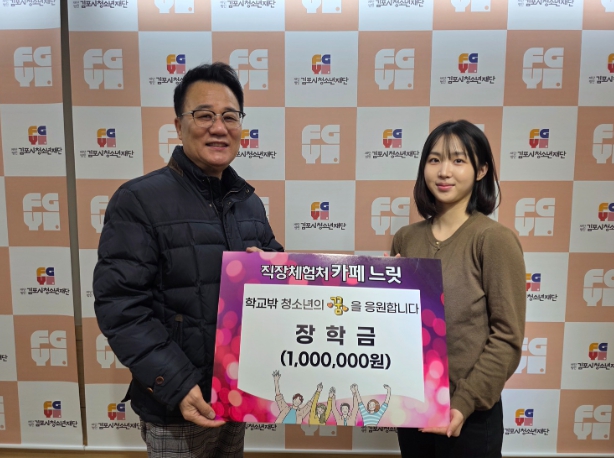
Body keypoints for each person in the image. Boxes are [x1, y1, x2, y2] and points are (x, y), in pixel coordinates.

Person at [93, 62, 283, 458]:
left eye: (230, 116)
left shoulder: (248, 203)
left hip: (235, 393)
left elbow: (278, 272)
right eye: (204, 115)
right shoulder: (139, 200)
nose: (219, 127)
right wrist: (177, 385)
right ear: (179, 126)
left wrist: (274, 269)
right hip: (179, 405)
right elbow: (121, 306)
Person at [391, 120, 526, 457]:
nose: (444, 171)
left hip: (470, 415)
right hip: (413, 408)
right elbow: (394, 329)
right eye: (434, 160)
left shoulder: (494, 240)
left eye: (458, 160)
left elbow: (507, 337)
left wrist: (464, 403)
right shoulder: (406, 238)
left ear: (481, 170)